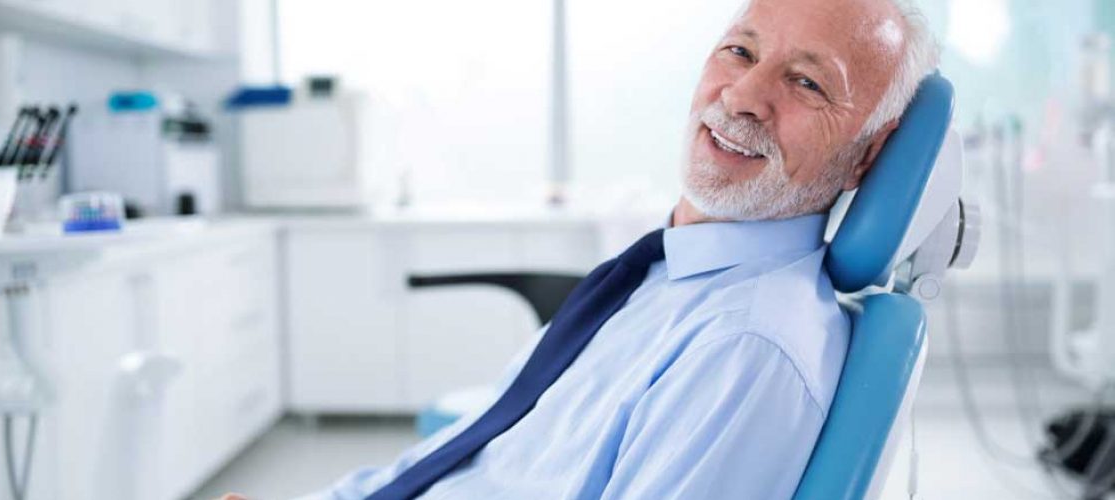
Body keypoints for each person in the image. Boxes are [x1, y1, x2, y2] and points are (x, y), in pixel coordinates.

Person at [222, 0, 939, 498]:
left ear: (866, 157)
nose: (743, 95)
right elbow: (483, 455)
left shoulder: (747, 349)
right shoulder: (667, 276)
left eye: (807, 82)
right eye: (739, 50)